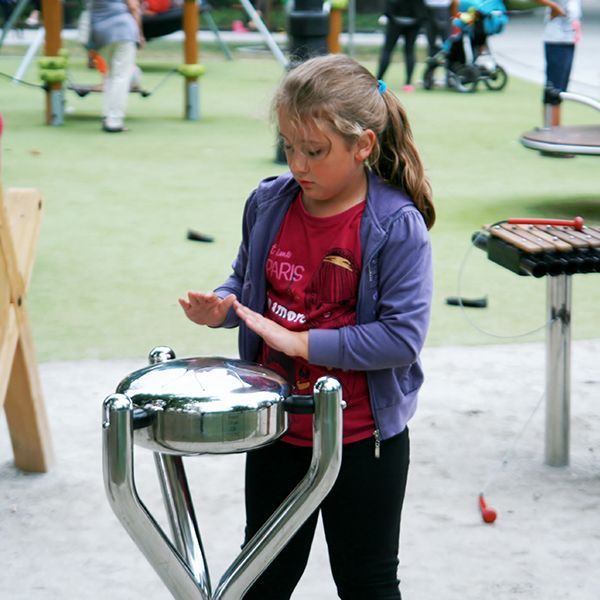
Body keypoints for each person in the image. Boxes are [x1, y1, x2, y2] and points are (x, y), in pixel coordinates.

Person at [179, 53, 435, 599]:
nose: (299, 163)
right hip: (277, 431)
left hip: (363, 440)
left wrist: (299, 341)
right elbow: (245, 282)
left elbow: (401, 338)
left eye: (314, 151)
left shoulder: (395, 225)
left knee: (366, 581)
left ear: (363, 145)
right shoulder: (269, 202)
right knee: (263, 575)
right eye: (289, 146)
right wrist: (224, 307)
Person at [89, 0, 145, 132]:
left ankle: (107, 115)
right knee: (121, 76)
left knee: (111, 75)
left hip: (100, 33)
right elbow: (133, 6)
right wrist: (139, 34)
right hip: (123, 29)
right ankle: (114, 121)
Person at [536, 0, 581, 127]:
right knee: (554, 90)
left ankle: (553, 129)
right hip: (557, 39)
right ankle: (551, 131)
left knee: (561, 90)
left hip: (568, 38)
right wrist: (554, 6)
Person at [377, 0, 428, 91]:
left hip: (395, 19)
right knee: (409, 51)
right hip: (414, 19)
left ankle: (378, 81)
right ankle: (408, 83)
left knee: (387, 50)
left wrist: (386, 13)